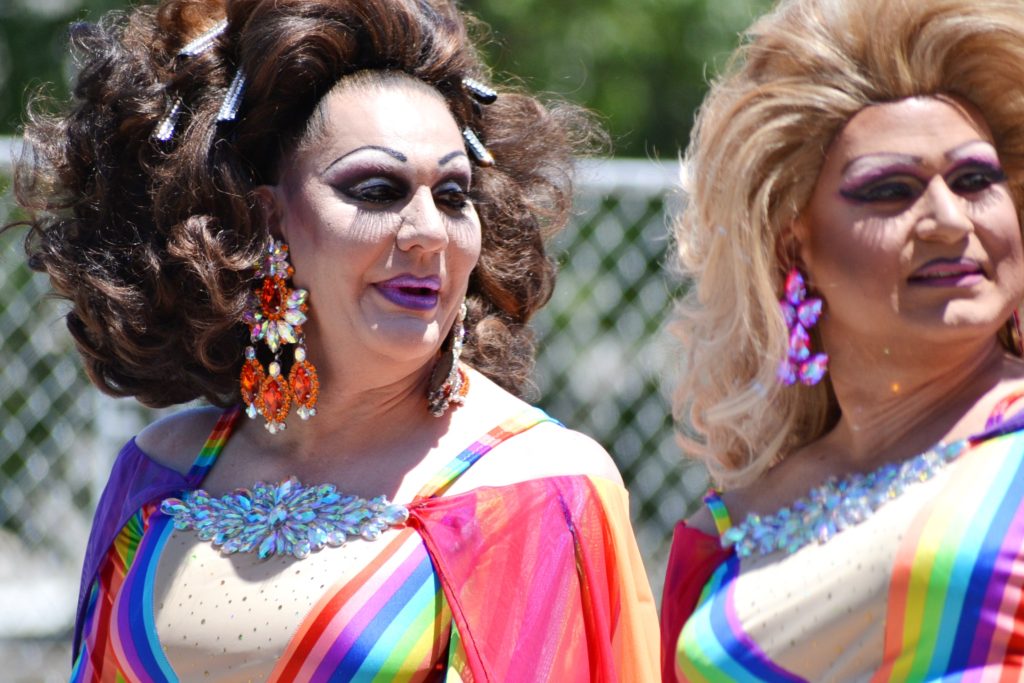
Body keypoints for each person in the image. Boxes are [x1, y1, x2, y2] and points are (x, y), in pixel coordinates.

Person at [8, 0, 660, 679]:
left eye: (454, 195)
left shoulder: (532, 484)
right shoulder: (157, 471)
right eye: (378, 189)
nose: (429, 231)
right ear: (265, 217)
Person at [660, 0, 1024, 679]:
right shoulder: (731, 522)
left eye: (976, 180)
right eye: (890, 190)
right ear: (793, 242)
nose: (948, 219)